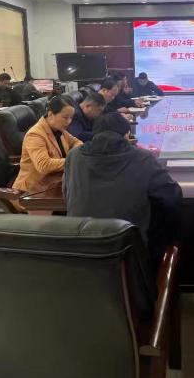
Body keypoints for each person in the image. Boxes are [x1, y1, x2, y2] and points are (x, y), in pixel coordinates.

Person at [64, 112, 182, 264]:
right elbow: (172, 196)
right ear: (126, 134)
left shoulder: (73, 156)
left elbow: (66, 193)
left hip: (78, 253)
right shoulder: (142, 158)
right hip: (126, 256)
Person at [13, 96, 82, 193]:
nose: (69, 122)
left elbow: (77, 142)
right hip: (32, 191)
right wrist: (72, 160)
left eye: (71, 118)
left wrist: (73, 155)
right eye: (65, 117)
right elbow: (44, 165)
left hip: (54, 182)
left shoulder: (60, 129)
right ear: (50, 114)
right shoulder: (35, 135)